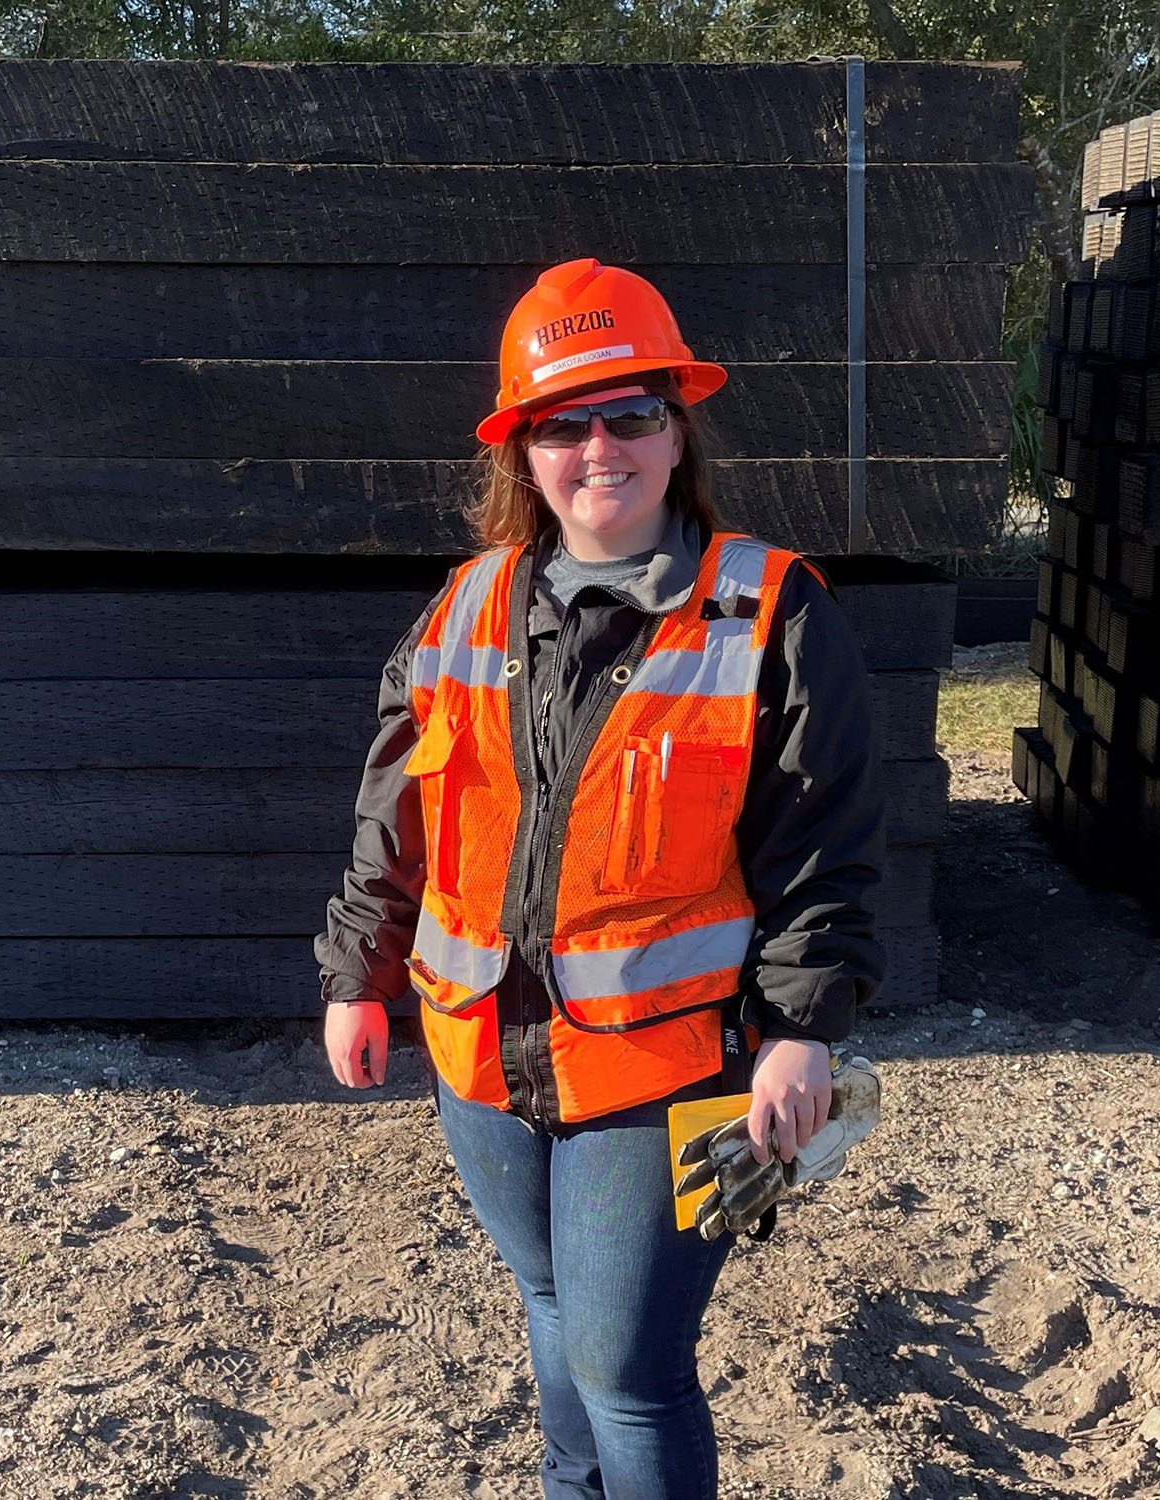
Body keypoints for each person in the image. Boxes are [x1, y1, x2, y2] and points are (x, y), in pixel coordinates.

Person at [315, 257, 886, 1499]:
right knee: (554, 1305)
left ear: (677, 431)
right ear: (521, 452)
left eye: (629, 412)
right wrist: (356, 975)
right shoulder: (462, 609)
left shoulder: (770, 614)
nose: (598, 447)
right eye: (562, 422)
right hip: (479, 1055)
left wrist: (800, 1032)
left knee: (627, 1366)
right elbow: (392, 813)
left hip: (661, 1063)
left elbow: (824, 847)